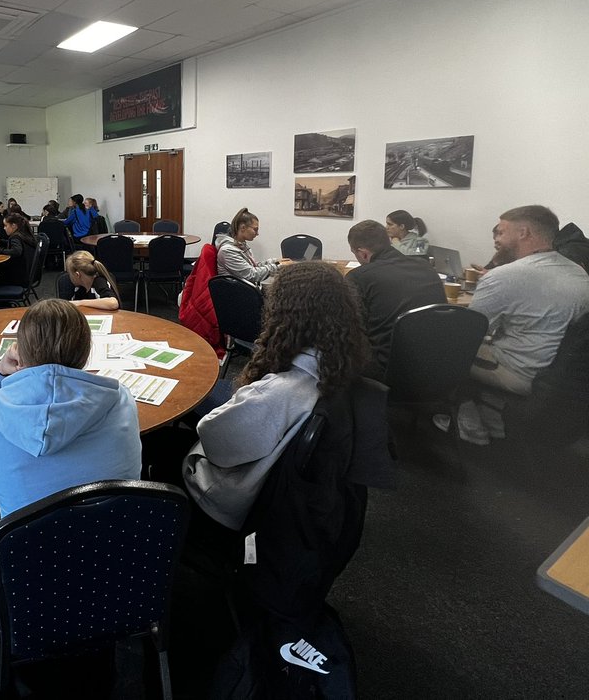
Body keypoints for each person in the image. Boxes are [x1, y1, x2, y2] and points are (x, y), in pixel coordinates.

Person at [182, 262, 368, 531]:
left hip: (233, 502)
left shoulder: (278, 392)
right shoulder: (340, 365)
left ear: (283, 316)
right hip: (293, 495)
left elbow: (215, 442)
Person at [0, 299, 141, 518]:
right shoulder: (122, 399)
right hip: (122, 540)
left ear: (20, 353)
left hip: (32, 549)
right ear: (86, 351)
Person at [468, 205, 589, 397]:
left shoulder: (504, 276)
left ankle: (468, 422)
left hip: (522, 374)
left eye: (501, 233)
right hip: (567, 375)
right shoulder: (577, 270)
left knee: (442, 350)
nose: (497, 239)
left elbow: (467, 335)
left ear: (523, 233)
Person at [346, 220, 447, 380]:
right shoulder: (426, 267)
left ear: (363, 253)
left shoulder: (359, 277)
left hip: (387, 369)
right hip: (437, 362)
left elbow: (350, 327)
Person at [214, 207, 289, 286]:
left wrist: (276, 261)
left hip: (247, 288)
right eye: (255, 229)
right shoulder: (227, 251)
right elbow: (252, 275)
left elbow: (254, 266)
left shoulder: (241, 245)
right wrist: (278, 266)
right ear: (243, 228)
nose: (257, 233)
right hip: (239, 294)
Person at [0, 212, 37, 287]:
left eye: (5, 225)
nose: (4, 228)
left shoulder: (15, 237)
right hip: (29, 275)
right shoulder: (24, 234)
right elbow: (14, 244)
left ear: (13, 226)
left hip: (18, 278)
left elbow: (16, 251)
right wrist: (0, 241)